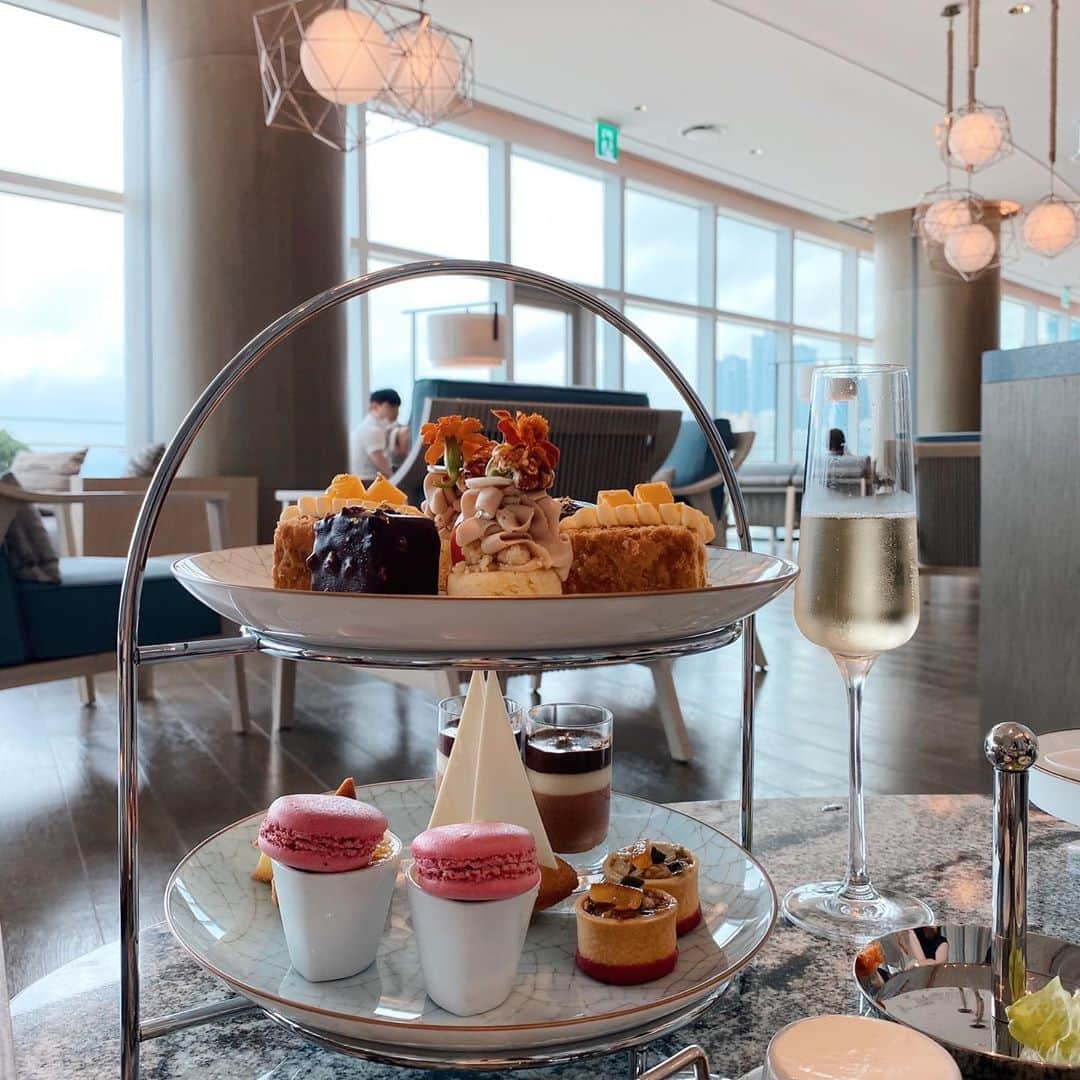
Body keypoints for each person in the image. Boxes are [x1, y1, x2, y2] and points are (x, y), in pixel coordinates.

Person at [350, 388, 409, 482]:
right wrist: (398, 482)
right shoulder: (372, 430)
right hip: (367, 481)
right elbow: (381, 463)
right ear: (375, 406)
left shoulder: (366, 427)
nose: (396, 411)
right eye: (391, 406)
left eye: (397, 407)